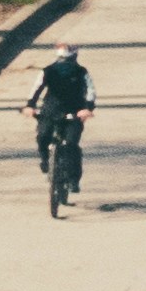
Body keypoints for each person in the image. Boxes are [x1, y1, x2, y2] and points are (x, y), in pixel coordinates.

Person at [29, 47, 93, 214]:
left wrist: (87, 109)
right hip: (51, 110)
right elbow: (36, 89)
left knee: (72, 144)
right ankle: (45, 160)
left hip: (74, 111)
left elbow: (90, 92)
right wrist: (30, 106)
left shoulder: (81, 72)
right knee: (43, 136)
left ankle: (73, 180)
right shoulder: (48, 71)